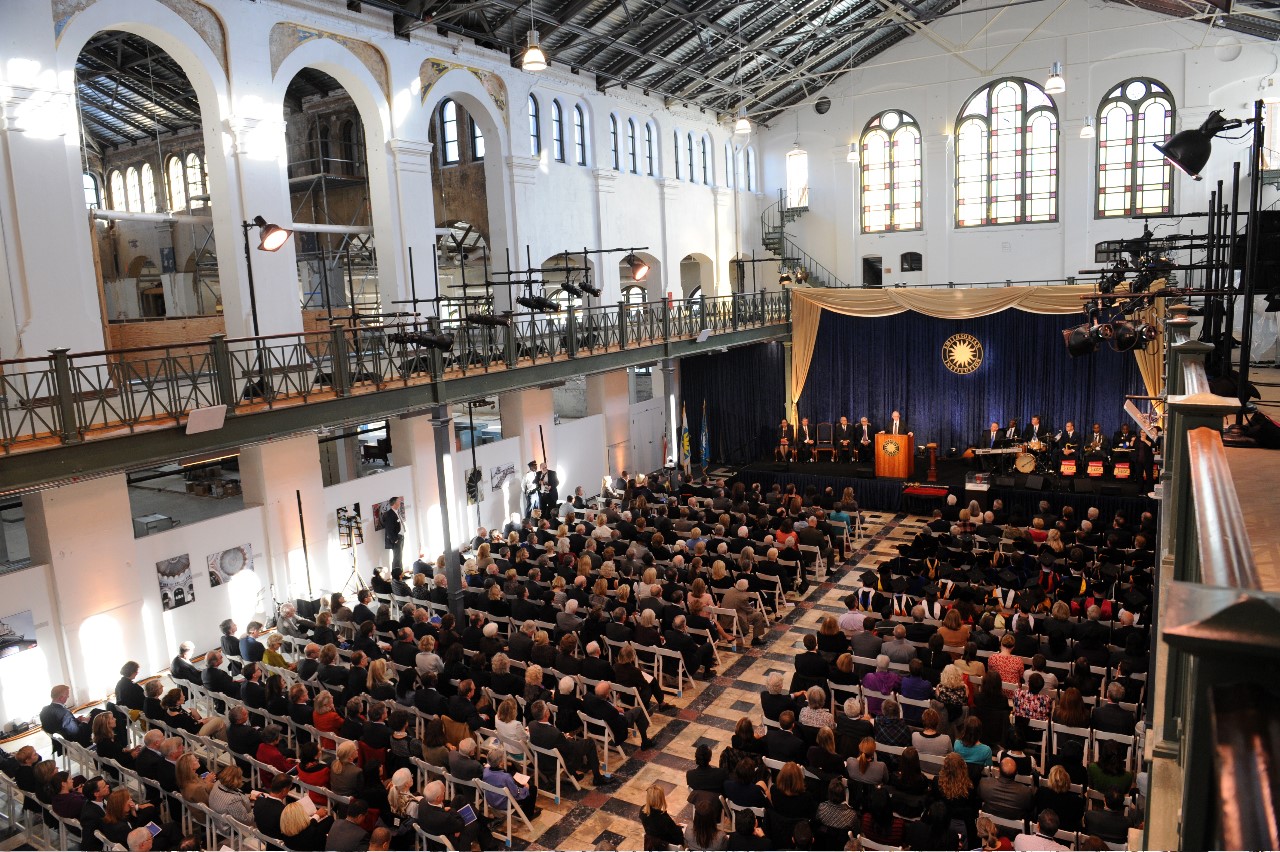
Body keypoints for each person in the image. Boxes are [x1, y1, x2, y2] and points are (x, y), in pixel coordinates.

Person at [481, 745, 540, 819]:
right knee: (532, 789)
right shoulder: (505, 777)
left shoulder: (485, 771)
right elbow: (516, 794)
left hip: (491, 800)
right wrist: (526, 789)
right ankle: (529, 814)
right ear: (500, 763)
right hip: (504, 803)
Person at [640, 783, 684, 849]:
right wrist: (678, 828)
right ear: (661, 799)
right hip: (668, 845)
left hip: (653, 842)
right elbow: (677, 836)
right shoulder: (663, 818)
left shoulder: (642, 811)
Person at [382, 496, 405, 572]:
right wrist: (395, 540)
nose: (400, 503)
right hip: (397, 539)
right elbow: (389, 529)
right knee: (397, 558)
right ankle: (396, 577)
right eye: (398, 501)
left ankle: (400, 574)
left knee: (399, 557)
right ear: (394, 503)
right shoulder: (390, 514)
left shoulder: (396, 512)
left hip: (400, 537)